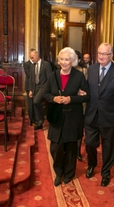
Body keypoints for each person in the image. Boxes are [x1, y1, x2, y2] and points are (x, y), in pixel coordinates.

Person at [43, 47, 90, 186]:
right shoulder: (53, 75)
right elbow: (45, 93)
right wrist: (54, 99)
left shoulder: (79, 76)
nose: (64, 62)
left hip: (73, 118)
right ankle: (59, 172)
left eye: (67, 59)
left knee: (70, 148)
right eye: (62, 59)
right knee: (55, 148)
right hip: (57, 118)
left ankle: (69, 173)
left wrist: (72, 99)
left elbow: (87, 96)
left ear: (73, 61)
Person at [84, 43, 114, 187]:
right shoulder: (91, 69)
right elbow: (88, 90)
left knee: (108, 146)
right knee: (89, 143)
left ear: (111, 55)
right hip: (92, 114)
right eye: (99, 53)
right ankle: (92, 164)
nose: (101, 56)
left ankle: (106, 172)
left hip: (110, 116)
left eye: (104, 54)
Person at [28, 50, 52, 130]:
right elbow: (31, 79)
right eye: (30, 58)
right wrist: (31, 90)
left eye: (32, 57)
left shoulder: (46, 64)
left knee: (36, 101)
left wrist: (48, 88)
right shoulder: (32, 66)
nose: (31, 59)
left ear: (37, 55)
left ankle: (40, 120)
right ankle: (39, 122)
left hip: (43, 87)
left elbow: (49, 78)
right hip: (35, 87)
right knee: (35, 103)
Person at [74, 50, 88, 161]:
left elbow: (86, 88)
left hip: (80, 104)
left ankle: (77, 151)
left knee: (79, 129)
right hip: (67, 104)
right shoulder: (64, 71)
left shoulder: (84, 71)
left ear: (79, 60)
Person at [23, 48, 36, 126]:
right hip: (30, 87)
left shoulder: (39, 63)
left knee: (36, 103)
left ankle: (38, 119)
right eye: (32, 55)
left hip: (38, 87)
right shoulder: (27, 64)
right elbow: (29, 75)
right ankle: (32, 120)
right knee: (30, 104)